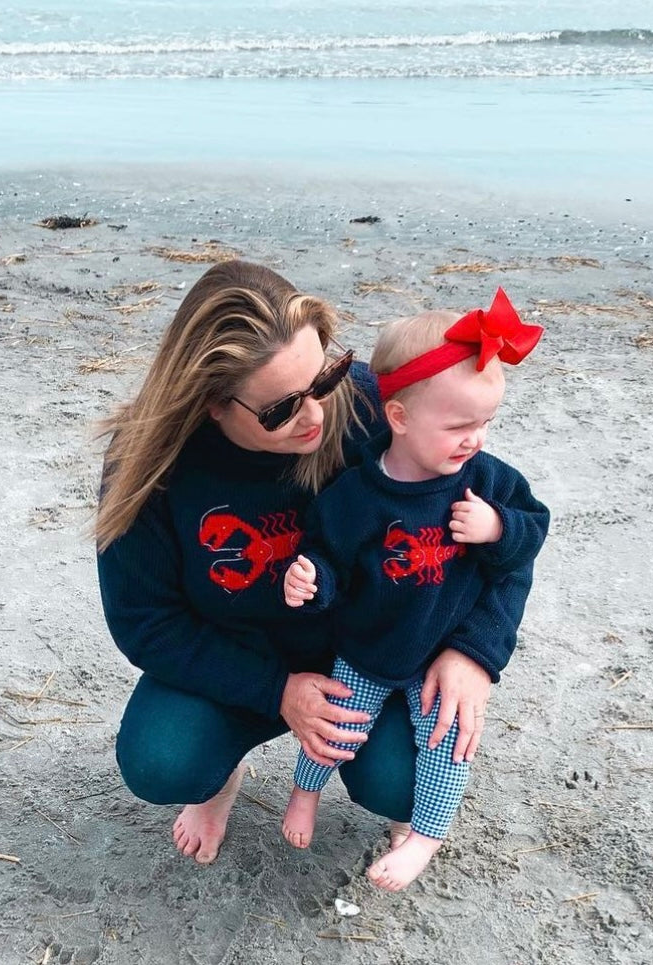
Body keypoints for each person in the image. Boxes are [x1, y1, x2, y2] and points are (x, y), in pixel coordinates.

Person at [96, 261, 519, 866]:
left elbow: (505, 537)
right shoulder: (149, 462)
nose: (317, 415)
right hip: (240, 654)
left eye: (325, 378)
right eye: (280, 409)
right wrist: (276, 690)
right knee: (163, 763)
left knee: (398, 783)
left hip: (368, 652)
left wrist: (475, 651)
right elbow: (145, 622)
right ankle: (219, 782)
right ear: (211, 403)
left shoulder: (380, 404)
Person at [281, 289, 550, 891]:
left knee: (448, 739)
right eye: (459, 426)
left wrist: (498, 528)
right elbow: (330, 560)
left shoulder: (487, 481)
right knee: (334, 723)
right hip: (367, 649)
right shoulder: (354, 495)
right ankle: (304, 794)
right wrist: (312, 582)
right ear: (398, 417)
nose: (475, 439)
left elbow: (534, 533)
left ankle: (426, 834)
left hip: (439, 658)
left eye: (485, 423)